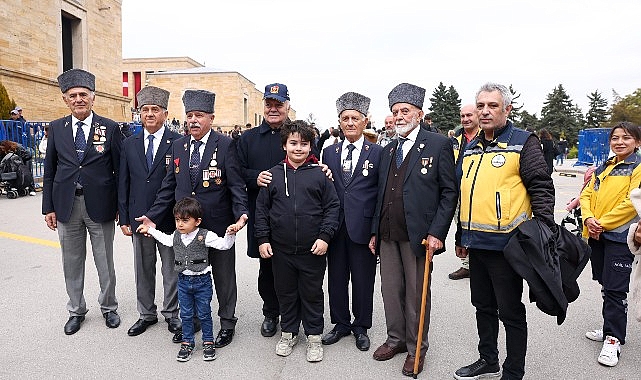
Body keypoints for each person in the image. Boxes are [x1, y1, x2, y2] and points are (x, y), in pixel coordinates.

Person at [454, 83, 555, 380]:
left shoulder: (524, 142)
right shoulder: (470, 147)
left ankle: (513, 371)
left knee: (510, 310)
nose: (485, 111)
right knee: (482, 306)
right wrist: (462, 236)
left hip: (509, 246)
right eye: (481, 105)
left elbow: (541, 186)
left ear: (507, 109)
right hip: (477, 244)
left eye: (493, 106)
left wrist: (545, 230)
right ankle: (488, 360)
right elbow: (466, 195)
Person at [137, 89, 249, 349]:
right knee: (190, 275)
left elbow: (235, 184)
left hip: (218, 224)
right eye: (189, 116)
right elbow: (168, 186)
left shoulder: (225, 144)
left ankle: (227, 322)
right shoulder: (179, 145)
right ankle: (197, 320)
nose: (193, 121)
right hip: (186, 228)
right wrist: (153, 217)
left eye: (199, 115)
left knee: (223, 276)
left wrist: (241, 214)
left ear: (211, 117)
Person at [369, 83, 458, 377]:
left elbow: (449, 192)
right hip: (388, 233)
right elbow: (381, 192)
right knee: (391, 290)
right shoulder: (388, 149)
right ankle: (395, 339)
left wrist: (437, 232)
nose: (398, 117)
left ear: (419, 113)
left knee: (416, 294)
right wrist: (374, 231)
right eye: (394, 112)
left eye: (404, 111)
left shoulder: (438, 144)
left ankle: (416, 347)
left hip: (419, 235)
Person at [42, 68, 123, 335]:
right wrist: (48, 208)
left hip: (100, 205)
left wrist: (121, 208)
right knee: (71, 261)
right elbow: (50, 169)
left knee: (105, 261)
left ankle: (109, 307)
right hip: (66, 205)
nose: (78, 99)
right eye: (73, 95)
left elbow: (120, 172)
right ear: (65, 99)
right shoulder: (56, 128)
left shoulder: (110, 128)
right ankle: (76, 310)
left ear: (93, 97)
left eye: (83, 94)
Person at [254, 120, 340, 363]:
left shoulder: (320, 175)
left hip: (312, 250)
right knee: (286, 293)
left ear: (311, 147)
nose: (298, 148)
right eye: (293, 143)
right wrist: (263, 239)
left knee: (312, 293)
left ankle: (313, 335)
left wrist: (325, 237)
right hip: (281, 250)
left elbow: (333, 208)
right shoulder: (271, 176)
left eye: (304, 144)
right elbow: (261, 210)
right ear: (284, 145)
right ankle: (289, 332)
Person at [137, 197, 246, 362]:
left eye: (185, 220)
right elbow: (165, 240)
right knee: (186, 315)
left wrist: (230, 234)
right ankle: (187, 343)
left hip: (202, 282)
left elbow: (224, 245)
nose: (180, 224)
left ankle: (208, 342)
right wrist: (150, 230)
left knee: (204, 314)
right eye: (177, 220)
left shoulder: (205, 235)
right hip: (183, 282)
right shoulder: (176, 236)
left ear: (197, 221)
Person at [118, 86, 183, 341]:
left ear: (165, 114)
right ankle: (146, 313)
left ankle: (172, 313)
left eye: (155, 110)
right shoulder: (129, 143)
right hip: (138, 217)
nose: (149, 114)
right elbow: (123, 182)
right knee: (143, 268)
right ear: (139, 114)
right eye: (145, 110)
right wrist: (123, 218)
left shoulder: (177, 142)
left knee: (170, 268)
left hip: (168, 219)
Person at [321, 92, 383, 352]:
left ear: (365, 121)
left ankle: (361, 326)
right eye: (345, 118)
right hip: (336, 227)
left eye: (354, 118)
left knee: (362, 279)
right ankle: (341, 323)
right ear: (339, 121)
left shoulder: (379, 153)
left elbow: (381, 194)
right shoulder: (329, 152)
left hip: (363, 227)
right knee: (336, 278)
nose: (349, 123)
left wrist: (376, 231)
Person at [580, 121, 641, 367]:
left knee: (616, 290)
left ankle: (614, 339)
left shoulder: (637, 167)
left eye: (626, 138)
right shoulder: (605, 167)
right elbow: (586, 193)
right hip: (598, 235)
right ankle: (609, 327)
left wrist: (602, 222)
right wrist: (588, 218)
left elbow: (632, 202)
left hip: (620, 237)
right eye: (615, 137)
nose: (619, 142)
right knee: (606, 284)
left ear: (637, 142)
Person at [236, 83, 292, 338]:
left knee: (294, 266)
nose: (273, 109)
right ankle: (271, 313)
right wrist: (254, 177)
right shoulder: (247, 139)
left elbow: (313, 163)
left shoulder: (297, 134)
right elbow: (235, 173)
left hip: (293, 214)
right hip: (262, 215)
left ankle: (293, 314)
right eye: (269, 104)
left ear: (287, 106)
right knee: (267, 268)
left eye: (278, 104)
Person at [449, 104, 480, 281]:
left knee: (477, 228)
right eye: (462, 116)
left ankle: (476, 265)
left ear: (477, 116)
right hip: (457, 192)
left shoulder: (486, 137)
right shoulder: (456, 140)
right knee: (461, 227)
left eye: (469, 115)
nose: (466, 119)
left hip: (478, 192)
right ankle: (467, 265)